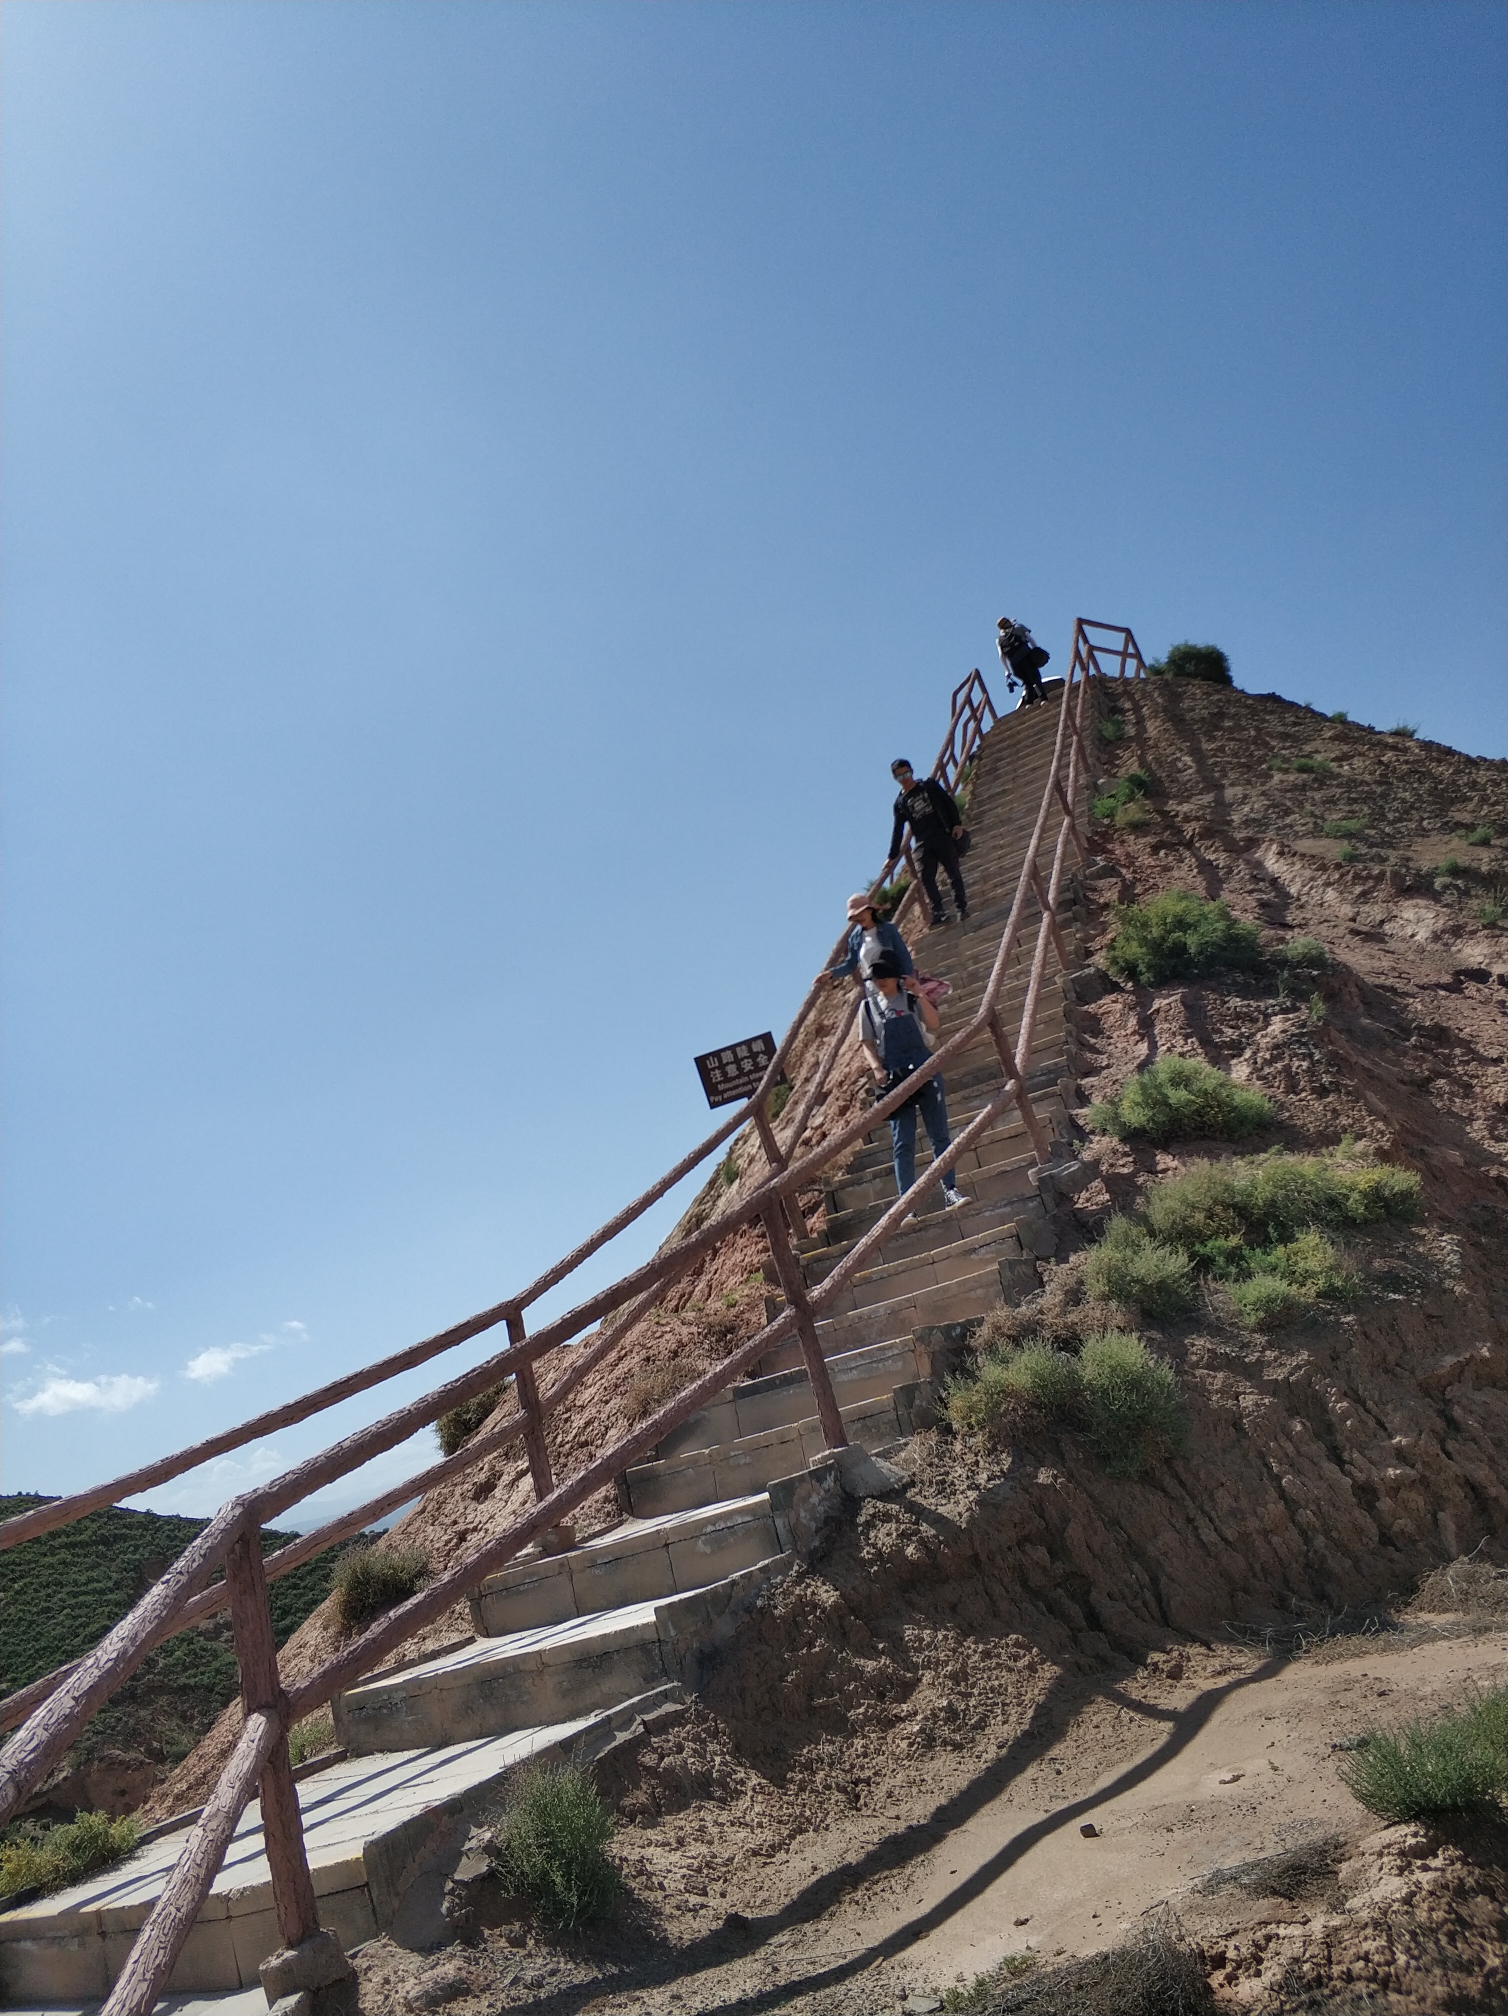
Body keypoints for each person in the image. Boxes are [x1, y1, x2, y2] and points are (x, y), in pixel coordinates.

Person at [859, 954, 969, 1214]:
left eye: (883, 977)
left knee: (939, 1134)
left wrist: (919, 993)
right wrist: (876, 1067)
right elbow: (866, 1043)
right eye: (875, 978)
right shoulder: (868, 1007)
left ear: (896, 976)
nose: (879, 982)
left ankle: (950, 1189)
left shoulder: (910, 999)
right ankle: (906, 1205)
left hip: (924, 1066)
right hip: (894, 1076)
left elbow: (933, 1023)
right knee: (902, 1141)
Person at [882, 759, 968, 929]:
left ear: (912, 772)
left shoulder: (928, 786)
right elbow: (898, 829)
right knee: (926, 878)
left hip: (942, 834)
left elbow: (947, 802)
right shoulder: (900, 803)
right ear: (895, 779)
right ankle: (939, 912)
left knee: (953, 871)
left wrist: (956, 824)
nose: (905, 778)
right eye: (900, 776)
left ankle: (961, 907)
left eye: (906, 774)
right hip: (922, 841)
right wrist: (891, 856)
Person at [820, 892, 915, 989]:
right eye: (855, 916)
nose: (858, 918)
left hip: (894, 986)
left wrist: (908, 977)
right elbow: (850, 965)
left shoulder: (888, 929)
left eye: (860, 913)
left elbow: (902, 954)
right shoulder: (855, 939)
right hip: (873, 990)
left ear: (869, 911)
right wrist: (831, 973)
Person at [997, 617, 1048, 707]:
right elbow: (1030, 639)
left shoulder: (999, 639)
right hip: (1026, 658)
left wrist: (1007, 670)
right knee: (1036, 679)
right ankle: (1043, 699)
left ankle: (1028, 703)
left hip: (1015, 666)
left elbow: (1001, 655)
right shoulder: (1018, 628)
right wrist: (1036, 650)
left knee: (1027, 682)